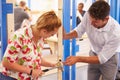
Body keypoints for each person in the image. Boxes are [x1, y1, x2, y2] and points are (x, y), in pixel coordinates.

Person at [63, 1, 120, 80]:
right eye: (90, 20)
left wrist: (78, 58)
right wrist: (66, 36)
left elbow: (102, 58)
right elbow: (79, 30)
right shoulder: (88, 15)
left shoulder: (116, 31)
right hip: (93, 53)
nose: (91, 24)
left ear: (106, 19)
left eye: (95, 21)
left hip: (110, 58)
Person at [0, 11, 61, 80]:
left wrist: (51, 64)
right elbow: (6, 62)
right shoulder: (19, 36)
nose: (50, 36)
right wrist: (31, 71)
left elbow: (36, 58)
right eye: (51, 34)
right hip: (12, 77)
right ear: (44, 31)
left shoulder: (41, 38)